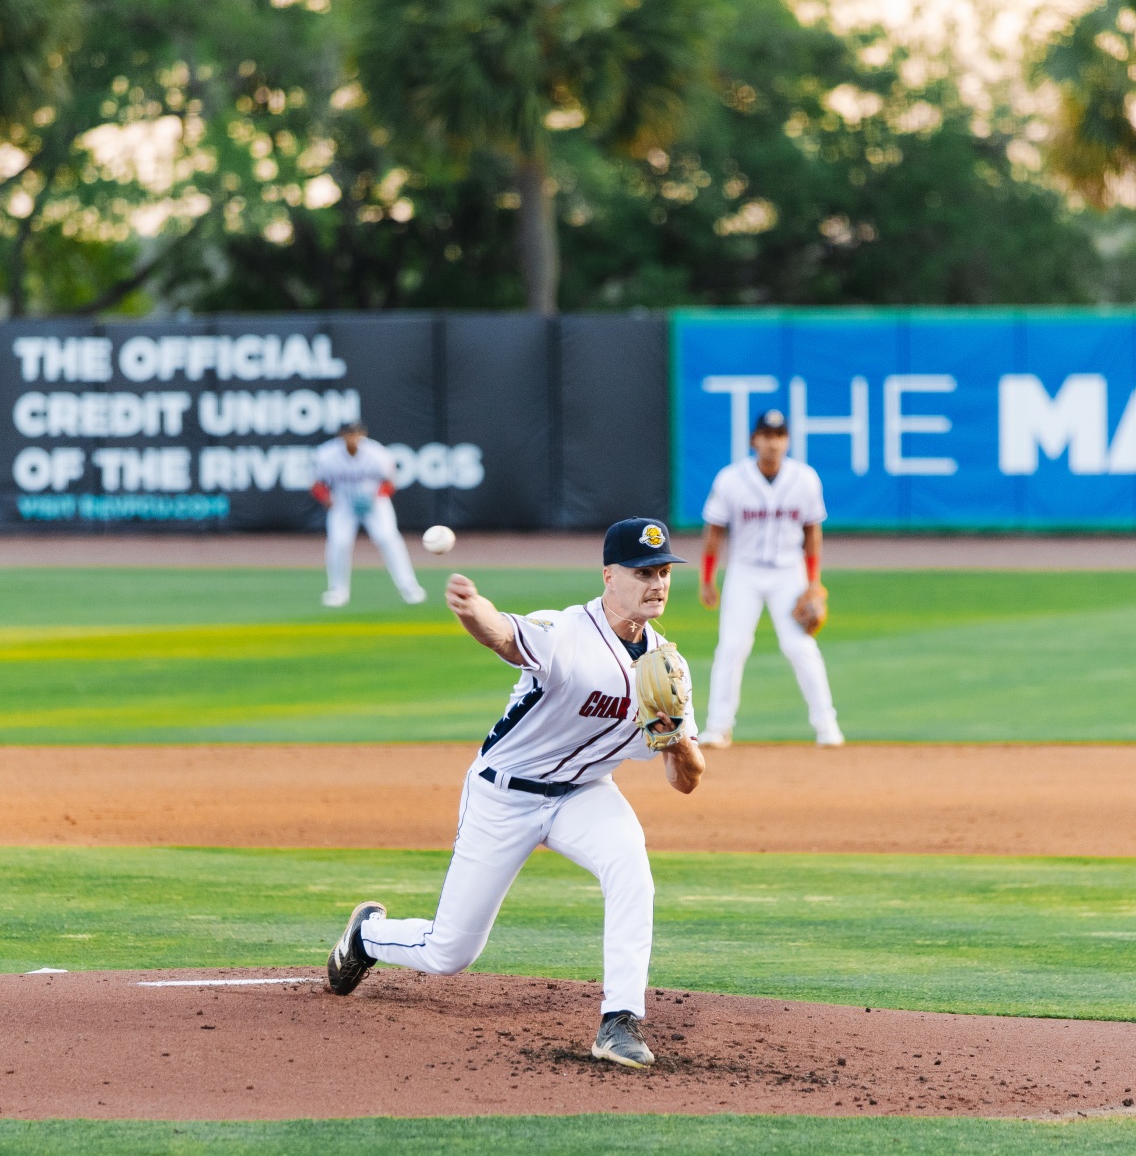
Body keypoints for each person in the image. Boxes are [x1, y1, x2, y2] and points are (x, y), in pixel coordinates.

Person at [323, 517, 708, 1070]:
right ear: (609, 576)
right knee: (450, 952)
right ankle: (368, 936)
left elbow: (686, 779)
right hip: (504, 797)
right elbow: (504, 635)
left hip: (583, 794)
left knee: (631, 867)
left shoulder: (668, 667)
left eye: (664, 572)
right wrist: (472, 610)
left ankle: (619, 1020)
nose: (657, 583)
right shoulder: (566, 631)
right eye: (643, 572)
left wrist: (676, 740)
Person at [697, 409, 843, 747]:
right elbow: (714, 531)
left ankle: (826, 725)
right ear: (754, 440)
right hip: (744, 572)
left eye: (779, 436)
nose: (773, 443)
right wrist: (707, 579)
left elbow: (812, 532)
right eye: (766, 436)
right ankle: (718, 726)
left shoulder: (805, 479)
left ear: (787, 440)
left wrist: (813, 582)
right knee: (732, 647)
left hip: (788, 572)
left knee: (800, 647)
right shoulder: (731, 479)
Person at [310, 422, 425, 608]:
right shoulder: (326, 454)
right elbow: (317, 484)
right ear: (341, 436)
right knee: (338, 542)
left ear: (363, 434)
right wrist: (327, 499)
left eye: (356, 434)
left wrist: (377, 497)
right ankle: (337, 591)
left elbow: (390, 482)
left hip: (374, 502)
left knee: (388, 538)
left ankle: (409, 587)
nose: (353, 438)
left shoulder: (377, 453)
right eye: (349, 434)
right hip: (343, 502)